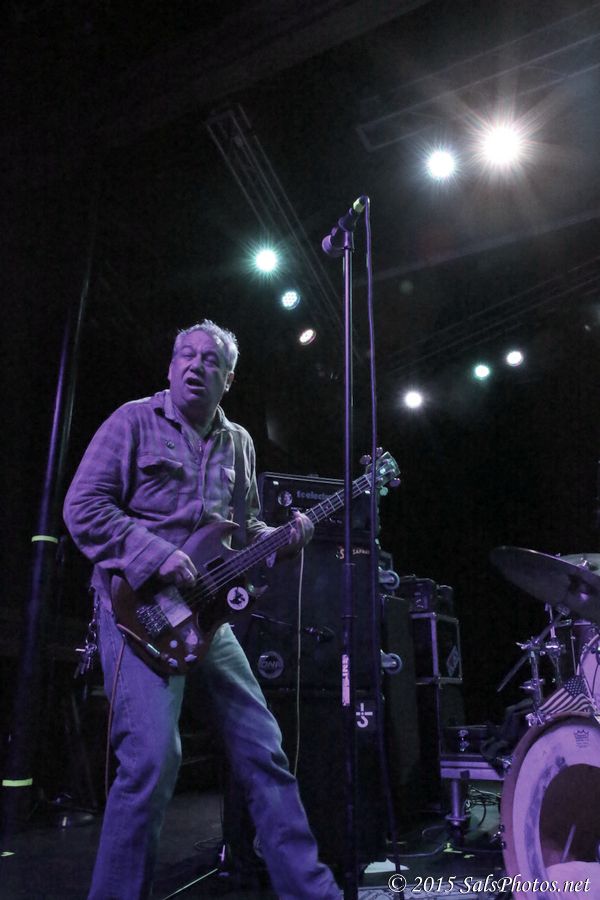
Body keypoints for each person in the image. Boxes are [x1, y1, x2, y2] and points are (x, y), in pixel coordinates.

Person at [63, 320, 341, 900]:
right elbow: (82, 506)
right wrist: (156, 554)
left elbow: (243, 529)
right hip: (135, 611)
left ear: (228, 379)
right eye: (185, 355)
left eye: (210, 359)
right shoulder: (132, 421)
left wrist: (282, 538)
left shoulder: (239, 443)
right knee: (151, 761)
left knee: (264, 749)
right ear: (171, 367)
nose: (195, 365)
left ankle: (312, 892)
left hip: (208, 617)